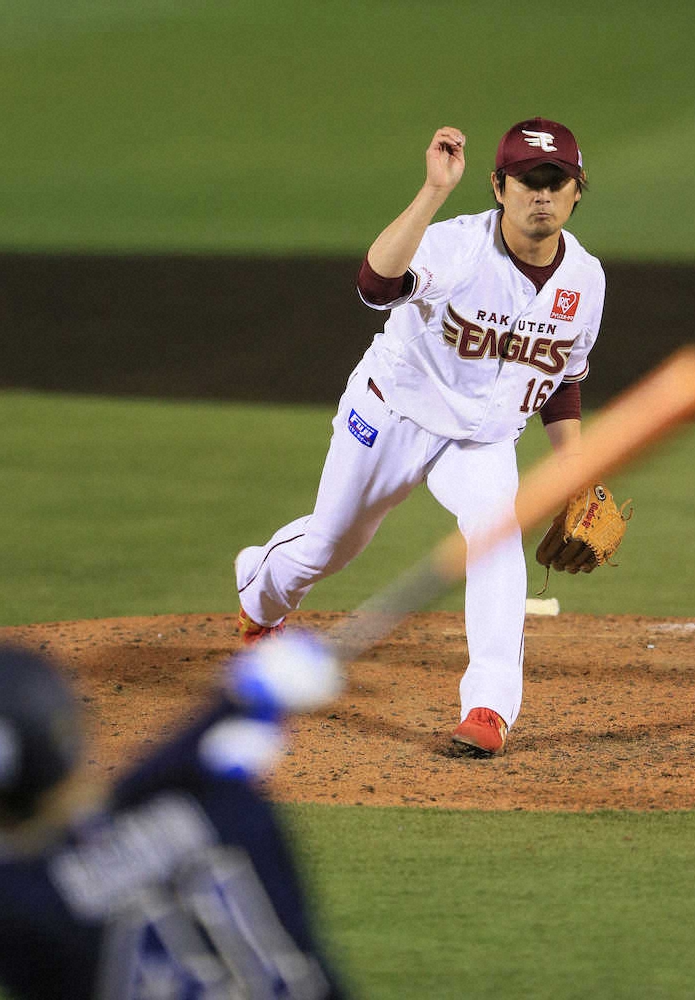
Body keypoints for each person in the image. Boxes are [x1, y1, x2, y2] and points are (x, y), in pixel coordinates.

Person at [235, 116, 605, 757]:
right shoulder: (458, 246)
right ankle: (258, 593)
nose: (541, 194)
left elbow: (563, 379)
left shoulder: (587, 282)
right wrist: (433, 189)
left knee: (496, 544)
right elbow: (375, 286)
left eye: (556, 181)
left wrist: (576, 468)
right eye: (527, 180)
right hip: (394, 413)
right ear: (498, 186)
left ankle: (489, 708)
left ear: (577, 191)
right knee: (333, 543)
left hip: (481, 441)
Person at [0, 636, 349, 999]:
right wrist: (247, 703)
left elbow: (74, 860)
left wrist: (232, 710)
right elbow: (147, 795)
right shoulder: (223, 806)